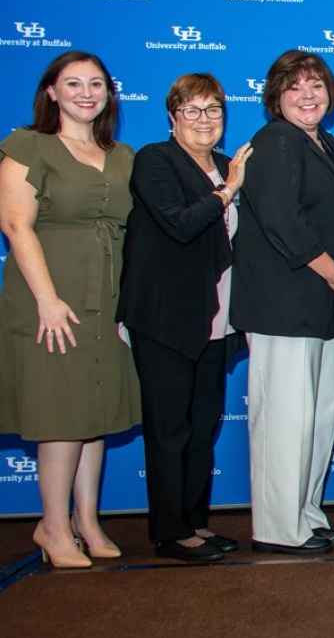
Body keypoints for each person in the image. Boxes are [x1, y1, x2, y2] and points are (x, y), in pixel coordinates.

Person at [0, 51, 139, 568]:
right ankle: (52, 528)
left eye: (97, 84)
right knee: (62, 414)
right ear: (51, 92)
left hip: (105, 303)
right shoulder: (28, 146)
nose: (87, 92)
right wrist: (47, 300)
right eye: (74, 83)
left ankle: (86, 520)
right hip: (51, 302)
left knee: (94, 412)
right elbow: (17, 225)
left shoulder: (121, 155)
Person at [119, 73, 252, 562]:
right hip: (165, 317)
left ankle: (196, 522)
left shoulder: (225, 163)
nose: (203, 120)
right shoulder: (155, 160)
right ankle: (170, 532)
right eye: (191, 110)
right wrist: (226, 192)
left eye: (213, 110)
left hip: (216, 321)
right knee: (169, 428)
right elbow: (179, 224)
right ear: (173, 117)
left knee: (201, 428)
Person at [232, 50, 334, 556]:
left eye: (317, 85)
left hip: (320, 306)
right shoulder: (276, 139)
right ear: (276, 97)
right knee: (285, 419)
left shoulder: (323, 144)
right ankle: (279, 527)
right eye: (295, 86)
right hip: (284, 303)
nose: (308, 95)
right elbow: (282, 218)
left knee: (317, 419)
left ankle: (305, 513)